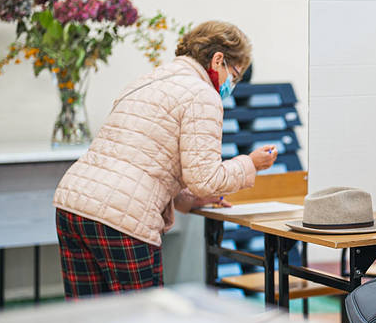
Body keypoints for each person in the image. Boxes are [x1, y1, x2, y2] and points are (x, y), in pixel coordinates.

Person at [53, 21, 278, 299]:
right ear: (218, 59)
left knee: (90, 318)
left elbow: (146, 161)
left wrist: (186, 199)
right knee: (141, 321)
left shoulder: (146, 81)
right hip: (122, 219)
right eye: (235, 74)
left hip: (73, 204)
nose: (232, 85)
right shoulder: (202, 94)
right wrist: (251, 163)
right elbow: (204, 179)